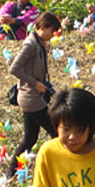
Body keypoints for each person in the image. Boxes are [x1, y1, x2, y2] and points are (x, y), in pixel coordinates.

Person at [7, 12, 62, 177]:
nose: (52, 36)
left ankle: (11, 172)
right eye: (51, 31)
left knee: (30, 138)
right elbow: (14, 68)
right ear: (43, 27)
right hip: (30, 98)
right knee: (56, 133)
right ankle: (55, 166)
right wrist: (35, 83)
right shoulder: (30, 44)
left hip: (31, 97)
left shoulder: (38, 44)